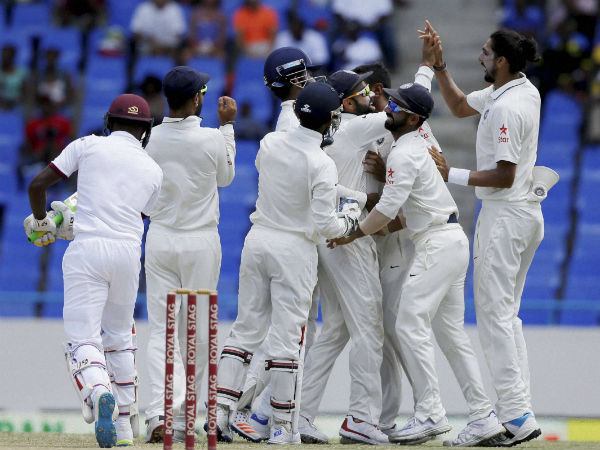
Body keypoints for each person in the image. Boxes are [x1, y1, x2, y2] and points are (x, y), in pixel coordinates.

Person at [327, 82, 505, 447]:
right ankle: (483, 416)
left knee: (408, 323)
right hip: (449, 240)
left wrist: (353, 233)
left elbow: (389, 209)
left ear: (411, 117)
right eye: (389, 101)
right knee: (452, 337)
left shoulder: (406, 153)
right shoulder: (412, 143)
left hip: (437, 243)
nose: (387, 108)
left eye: (395, 105)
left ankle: (430, 414)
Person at [213, 81, 360, 445]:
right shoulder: (322, 163)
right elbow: (327, 225)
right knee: (287, 339)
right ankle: (280, 427)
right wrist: (353, 218)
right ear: (329, 121)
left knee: (245, 329)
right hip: (294, 249)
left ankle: (219, 416)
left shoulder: (270, 142)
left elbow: (278, 174)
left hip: (258, 239)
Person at [422, 22, 544, 446]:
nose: (480, 58)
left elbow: (504, 176)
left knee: (494, 319)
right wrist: (439, 68)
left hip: (506, 216)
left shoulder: (509, 107)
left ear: (503, 61)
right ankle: (519, 413)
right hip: (522, 217)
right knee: (506, 318)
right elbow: (457, 107)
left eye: (486, 53)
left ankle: (514, 413)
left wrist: (448, 172)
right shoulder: (514, 91)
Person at [24, 93, 162, 448]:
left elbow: (38, 185)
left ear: (108, 122)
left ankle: (100, 392)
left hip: (87, 251)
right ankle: (125, 427)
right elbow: (139, 215)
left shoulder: (87, 146)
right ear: (145, 131)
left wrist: (44, 223)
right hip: (129, 254)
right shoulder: (153, 169)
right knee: (120, 336)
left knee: (83, 337)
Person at [143, 66, 237, 444]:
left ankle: (157, 415)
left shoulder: (149, 138)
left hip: (161, 239)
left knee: (161, 331)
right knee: (195, 333)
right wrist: (228, 127)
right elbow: (226, 178)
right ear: (198, 98)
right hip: (199, 242)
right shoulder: (212, 138)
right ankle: (182, 420)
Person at [298, 69, 391, 446]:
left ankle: (298, 414)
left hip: (327, 234)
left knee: (335, 330)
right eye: (364, 91)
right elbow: (408, 112)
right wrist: (428, 70)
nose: (371, 94)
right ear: (347, 103)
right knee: (369, 327)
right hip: (348, 237)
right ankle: (360, 419)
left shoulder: (325, 134)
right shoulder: (354, 127)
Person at [354, 60, 442, 437]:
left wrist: (385, 172)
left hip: (402, 242)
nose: (359, 97)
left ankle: (422, 410)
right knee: (386, 332)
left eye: (364, 90)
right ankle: (387, 417)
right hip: (379, 241)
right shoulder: (376, 126)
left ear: (376, 90)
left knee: (397, 328)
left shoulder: (408, 131)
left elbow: (438, 169)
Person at [0, 44, 27, 110]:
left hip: (16, 106)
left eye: (9, 55)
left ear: (13, 56)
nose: (6, 57)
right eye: (4, 54)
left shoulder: (22, 72)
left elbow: (25, 92)